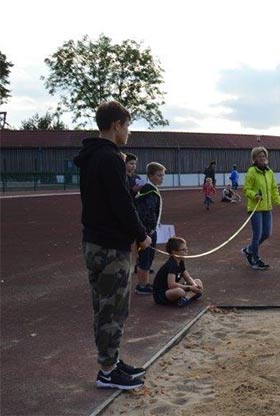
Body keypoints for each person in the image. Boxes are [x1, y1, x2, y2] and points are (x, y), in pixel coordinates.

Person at [74, 101, 150, 390]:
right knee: (113, 308)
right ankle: (107, 371)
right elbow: (122, 203)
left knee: (105, 305)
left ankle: (112, 360)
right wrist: (141, 234)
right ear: (116, 125)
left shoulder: (92, 155)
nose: (129, 132)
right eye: (127, 125)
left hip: (95, 241)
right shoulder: (110, 157)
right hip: (109, 245)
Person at [241, 146, 280, 270]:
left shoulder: (270, 172)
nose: (262, 158)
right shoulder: (251, 172)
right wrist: (255, 195)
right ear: (254, 159)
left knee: (267, 233)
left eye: (264, 156)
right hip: (255, 208)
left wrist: (278, 201)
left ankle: (249, 250)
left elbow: (274, 189)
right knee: (257, 234)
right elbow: (246, 189)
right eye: (259, 157)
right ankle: (255, 258)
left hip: (267, 207)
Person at [133, 162, 166, 295]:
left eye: (163, 175)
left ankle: (145, 283)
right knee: (146, 257)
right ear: (150, 176)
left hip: (148, 229)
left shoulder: (149, 189)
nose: (161, 178)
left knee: (147, 257)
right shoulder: (149, 190)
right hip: (148, 231)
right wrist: (150, 229)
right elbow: (147, 211)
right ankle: (142, 285)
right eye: (159, 175)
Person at [153, 237, 204, 306]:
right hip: (162, 293)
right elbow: (171, 285)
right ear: (174, 252)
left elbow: (188, 277)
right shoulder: (172, 264)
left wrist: (195, 286)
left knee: (198, 281)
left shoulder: (180, 261)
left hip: (172, 289)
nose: (186, 252)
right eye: (183, 250)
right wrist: (190, 288)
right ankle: (187, 297)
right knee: (180, 292)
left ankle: (185, 298)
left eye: (186, 249)